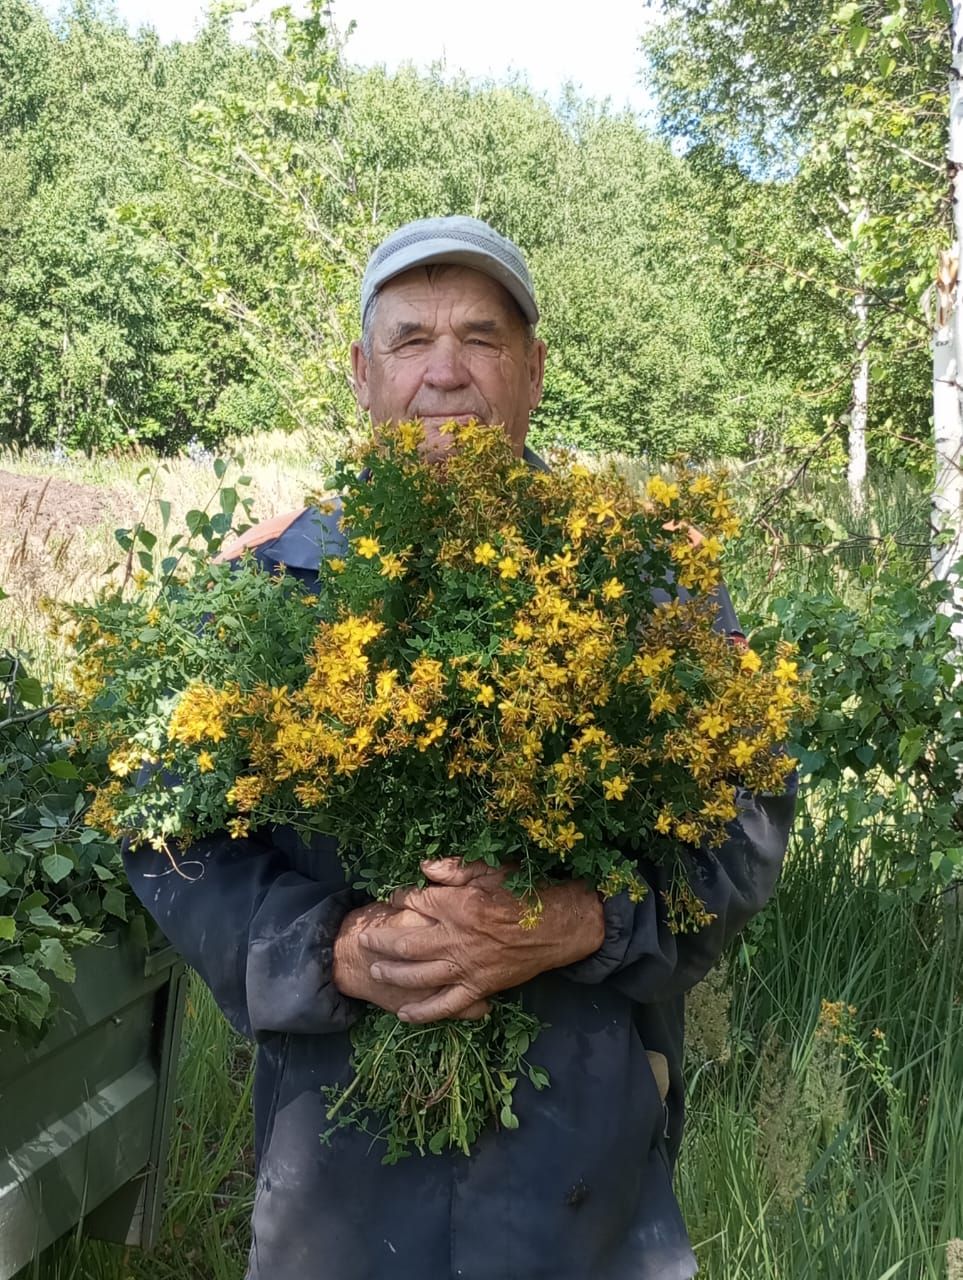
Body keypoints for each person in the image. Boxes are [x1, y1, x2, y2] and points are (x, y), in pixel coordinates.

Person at [124, 216, 796, 1280]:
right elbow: (167, 836)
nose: (446, 372)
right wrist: (335, 949)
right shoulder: (263, 586)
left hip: (587, 1196)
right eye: (411, 339)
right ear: (360, 372)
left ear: (533, 370)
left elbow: (747, 832)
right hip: (334, 1196)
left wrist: (584, 918)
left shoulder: (651, 586)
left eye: (482, 338)